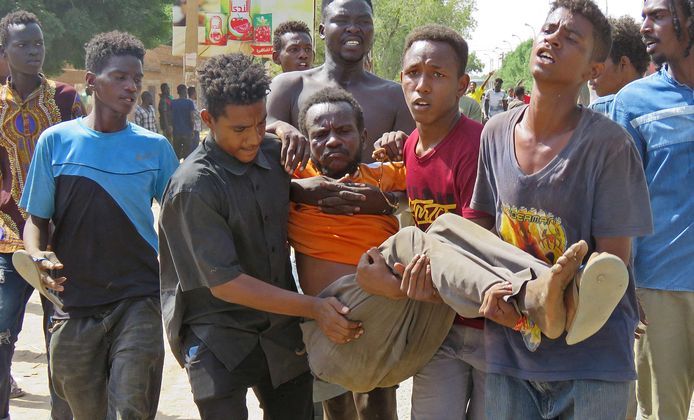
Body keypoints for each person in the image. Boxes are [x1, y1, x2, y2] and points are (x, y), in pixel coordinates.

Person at [469, 1, 653, 418]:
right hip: (511, 354)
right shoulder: (495, 132)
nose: (553, 37)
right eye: (549, 29)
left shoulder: (609, 146)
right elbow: (479, 227)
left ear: (594, 69)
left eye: (572, 38)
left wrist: (549, 301)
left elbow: (611, 270)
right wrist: (490, 290)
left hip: (591, 364)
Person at [158, 53, 363, 420]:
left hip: (279, 333)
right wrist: (314, 307)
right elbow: (227, 284)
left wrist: (304, 181)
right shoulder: (194, 187)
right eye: (239, 130)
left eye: (261, 123)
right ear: (207, 120)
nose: (253, 138)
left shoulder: (275, 154)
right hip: (218, 334)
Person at [18, 31, 178, 419]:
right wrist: (37, 255)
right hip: (74, 302)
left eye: (136, 79)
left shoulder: (155, 148)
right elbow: (36, 220)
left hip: (137, 298)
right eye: (120, 77)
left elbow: (180, 221)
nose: (132, 87)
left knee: (130, 409)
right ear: (91, 81)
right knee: (82, 411)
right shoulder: (55, 142)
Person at [375, 24, 492, 419]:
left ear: (462, 85)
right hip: (437, 325)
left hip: (489, 325)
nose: (422, 86)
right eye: (413, 73)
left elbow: (477, 248)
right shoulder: (410, 144)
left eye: (437, 75)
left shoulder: (474, 146)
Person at [289, 87, 404, 419]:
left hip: (380, 322)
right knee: (337, 411)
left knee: (379, 409)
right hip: (325, 321)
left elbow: (427, 170)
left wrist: (389, 199)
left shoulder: (383, 178)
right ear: (305, 141)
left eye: (343, 131)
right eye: (320, 134)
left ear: (364, 136)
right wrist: (283, 131)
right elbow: (261, 134)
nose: (333, 141)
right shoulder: (295, 178)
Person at [610, 0, 694, 418]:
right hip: (661, 292)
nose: (645, 26)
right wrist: (626, 287)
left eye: (658, 15)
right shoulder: (635, 103)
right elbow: (619, 203)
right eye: (644, 15)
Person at [0, 10, 84, 420]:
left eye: (38, 43)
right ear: (5, 52)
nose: (33, 51)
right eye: (23, 45)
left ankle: (62, 414)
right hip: (8, 235)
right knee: (1, 331)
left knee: (62, 333)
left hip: (60, 237)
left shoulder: (66, 99)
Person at [267, 0, 414, 166]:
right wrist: (280, 128)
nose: (353, 28)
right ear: (322, 31)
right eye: (341, 20)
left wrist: (398, 145)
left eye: (363, 21)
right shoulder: (287, 88)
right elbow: (257, 143)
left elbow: (409, 170)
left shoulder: (396, 96)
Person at [588, 15, 650, 115]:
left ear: (623, 64)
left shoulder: (600, 110)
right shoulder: (659, 102)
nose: (590, 73)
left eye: (597, 64)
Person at [171, 83, 196, 160]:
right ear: (185, 91)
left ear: (178, 92)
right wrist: (192, 130)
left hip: (176, 133)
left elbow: (171, 117)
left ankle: (176, 170)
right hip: (187, 132)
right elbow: (192, 118)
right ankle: (186, 171)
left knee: (176, 155)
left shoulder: (173, 102)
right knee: (187, 156)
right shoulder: (189, 103)